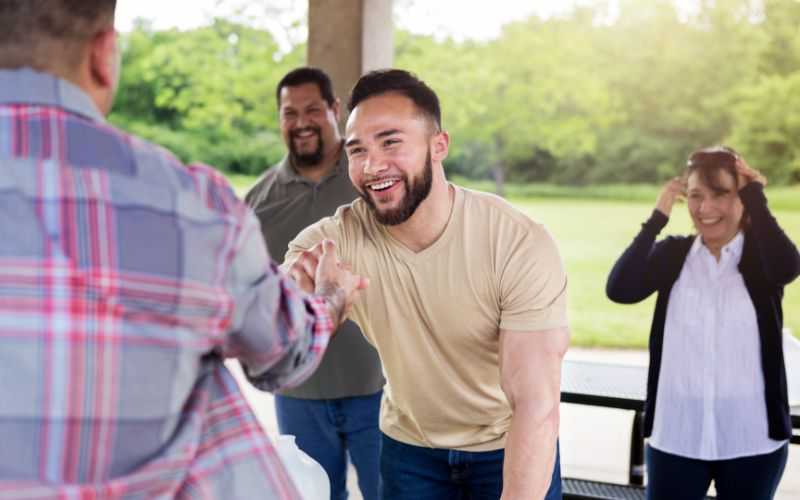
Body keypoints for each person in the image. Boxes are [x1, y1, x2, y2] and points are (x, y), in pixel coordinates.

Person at [0, 1, 367, 498]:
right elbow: (283, 351)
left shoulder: (365, 181)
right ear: (104, 55)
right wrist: (328, 296)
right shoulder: (190, 204)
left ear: (334, 112)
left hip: (368, 390)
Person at [284, 69, 570, 500]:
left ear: (439, 146)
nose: (372, 164)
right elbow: (276, 322)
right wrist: (319, 302)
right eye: (357, 150)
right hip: (409, 450)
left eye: (391, 141)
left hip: (506, 445)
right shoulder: (335, 243)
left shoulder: (516, 241)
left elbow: (535, 403)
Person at [606, 146, 799, 500]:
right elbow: (620, 289)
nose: (705, 208)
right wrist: (657, 217)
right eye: (696, 196)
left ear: (741, 196)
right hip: (676, 438)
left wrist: (755, 195)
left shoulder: (761, 259)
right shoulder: (672, 255)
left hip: (751, 438)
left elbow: (788, 266)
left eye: (721, 194)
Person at [245, 67, 384, 500]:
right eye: (290, 113)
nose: (301, 122)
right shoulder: (257, 202)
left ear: (334, 111)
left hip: (378, 385)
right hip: (299, 392)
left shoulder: (372, 180)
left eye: (312, 110)